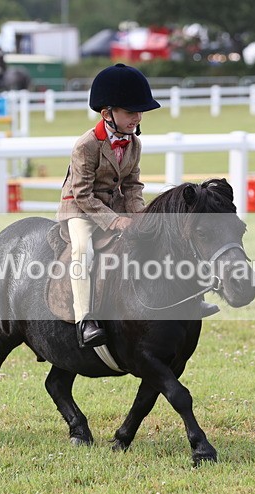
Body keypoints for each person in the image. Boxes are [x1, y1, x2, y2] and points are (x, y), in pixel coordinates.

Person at [56, 63, 217, 349]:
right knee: (83, 250)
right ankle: (85, 320)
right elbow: (82, 194)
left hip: (116, 206)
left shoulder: (133, 143)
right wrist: (115, 221)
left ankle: (189, 300)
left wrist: (142, 217)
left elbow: (132, 185)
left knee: (160, 238)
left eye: (140, 112)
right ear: (107, 114)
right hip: (81, 210)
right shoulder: (86, 145)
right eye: (131, 112)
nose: (137, 117)